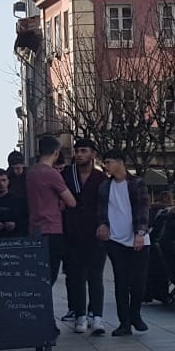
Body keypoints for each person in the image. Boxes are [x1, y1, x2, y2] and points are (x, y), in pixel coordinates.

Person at [97, 150, 151, 336]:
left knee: (139, 282)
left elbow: (143, 208)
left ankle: (135, 313)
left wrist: (140, 232)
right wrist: (102, 225)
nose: (106, 166)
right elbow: (102, 210)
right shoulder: (105, 186)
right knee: (121, 281)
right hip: (115, 240)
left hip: (137, 238)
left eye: (109, 162)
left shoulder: (136, 183)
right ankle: (124, 322)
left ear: (120, 162)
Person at [59, 140, 109, 334]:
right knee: (77, 276)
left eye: (83, 151)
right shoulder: (66, 175)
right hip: (72, 232)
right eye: (77, 151)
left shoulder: (101, 178)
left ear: (92, 154)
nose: (79, 154)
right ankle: (80, 314)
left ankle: (97, 316)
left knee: (95, 276)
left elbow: (106, 204)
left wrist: (104, 225)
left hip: (95, 233)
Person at [23, 136, 76, 286]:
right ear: (56, 153)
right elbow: (71, 201)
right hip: (52, 227)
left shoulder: (31, 173)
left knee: (39, 273)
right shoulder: (52, 174)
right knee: (50, 274)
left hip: (35, 228)